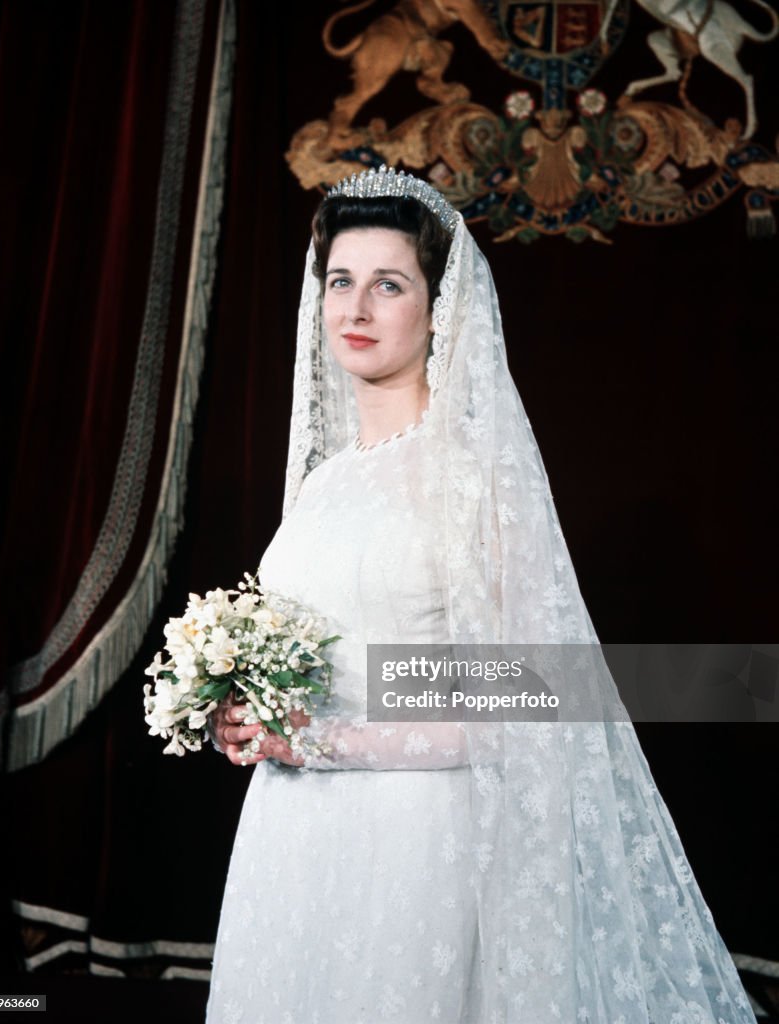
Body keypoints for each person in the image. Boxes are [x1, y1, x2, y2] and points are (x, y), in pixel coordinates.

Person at [205, 166, 755, 1023]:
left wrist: (331, 737)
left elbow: (524, 698)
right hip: (292, 831)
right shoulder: (323, 482)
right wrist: (239, 709)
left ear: (440, 306)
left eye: (387, 285)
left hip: (414, 840)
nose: (354, 309)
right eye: (339, 282)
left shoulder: (470, 481)